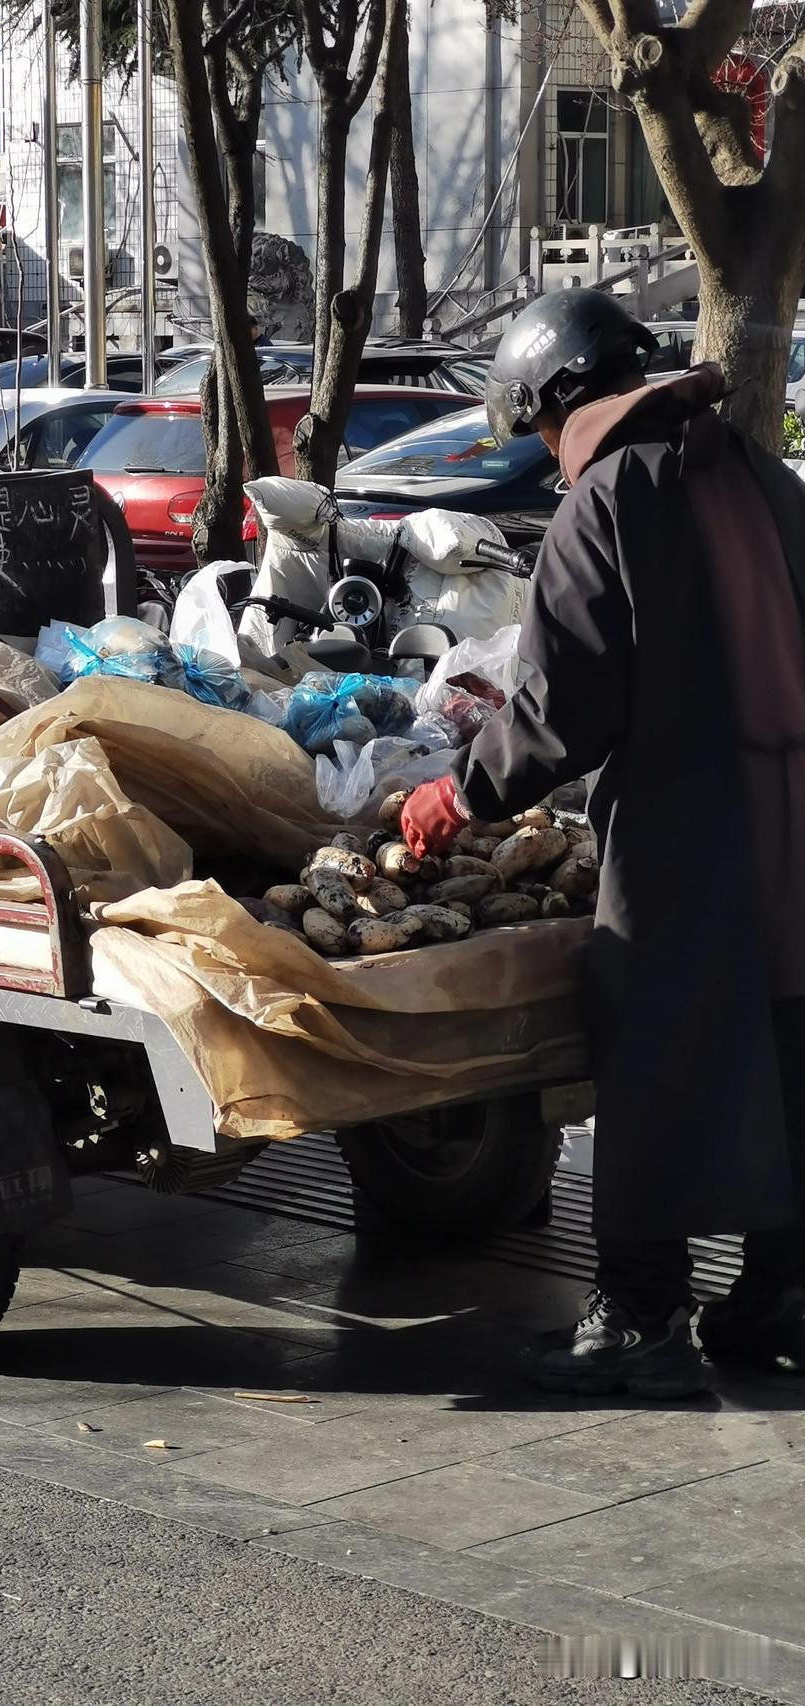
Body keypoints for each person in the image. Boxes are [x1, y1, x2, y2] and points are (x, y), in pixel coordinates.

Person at [399, 287, 805, 1398]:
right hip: (792, 825)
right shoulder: (764, 478)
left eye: (532, 425)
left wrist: (459, 793)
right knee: (785, 1042)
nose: (538, 448)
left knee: (650, 1043)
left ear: (557, 399)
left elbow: (565, 707)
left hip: (690, 829)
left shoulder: (608, 496)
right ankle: (778, 1293)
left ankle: (638, 1314)